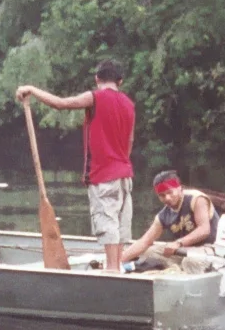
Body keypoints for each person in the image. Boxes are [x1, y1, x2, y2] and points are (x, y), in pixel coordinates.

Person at [16, 59, 136, 272]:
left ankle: (112, 271)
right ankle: (116, 267)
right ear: (121, 81)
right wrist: (121, 163)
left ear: (97, 79)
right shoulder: (129, 104)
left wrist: (32, 90)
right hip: (125, 175)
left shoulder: (95, 97)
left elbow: (61, 104)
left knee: (108, 224)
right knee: (118, 225)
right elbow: (130, 141)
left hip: (103, 175)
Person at [120, 170, 218, 274]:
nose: (167, 198)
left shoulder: (196, 199)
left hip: (209, 248)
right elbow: (145, 241)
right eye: (162, 195)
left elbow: (204, 230)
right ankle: (174, 272)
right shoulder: (164, 215)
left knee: (190, 261)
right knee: (147, 253)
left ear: (179, 188)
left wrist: (178, 243)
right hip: (183, 250)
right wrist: (117, 261)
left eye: (170, 192)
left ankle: (187, 276)